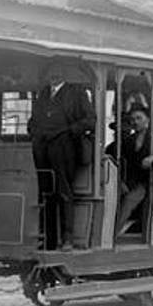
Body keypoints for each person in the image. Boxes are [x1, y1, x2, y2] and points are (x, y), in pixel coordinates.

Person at [27, 61, 94, 250]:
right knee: (45, 192)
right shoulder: (43, 95)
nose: (53, 75)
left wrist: (69, 132)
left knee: (64, 192)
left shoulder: (77, 93)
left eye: (57, 71)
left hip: (65, 148)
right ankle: (48, 239)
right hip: (42, 148)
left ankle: (67, 239)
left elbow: (90, 120)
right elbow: (34, 120)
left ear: (64, 73)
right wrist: (34, 132)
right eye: (51, 72)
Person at [114, 106, 153, 235]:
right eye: (133, 119)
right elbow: (122, 162)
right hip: (130, 181)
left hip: (148, 182)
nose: (135, 122)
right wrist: (122, 181)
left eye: (138, 118)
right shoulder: (128, 141)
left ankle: (113, 233)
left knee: (129, 200)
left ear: (147, 120)